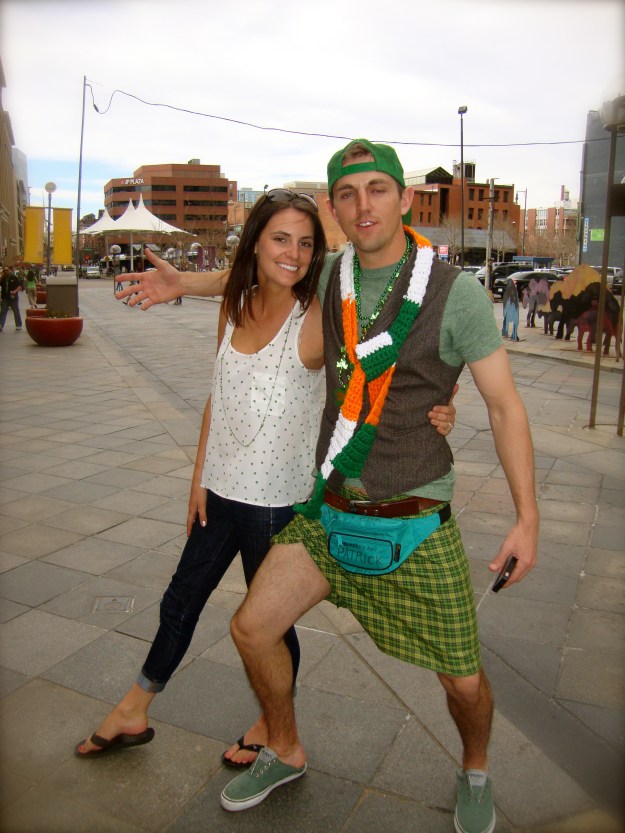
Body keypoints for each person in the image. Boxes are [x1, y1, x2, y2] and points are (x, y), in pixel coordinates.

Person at [76, 185, 459, 764]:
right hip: (221, 492)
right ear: (255, 241)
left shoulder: (319, 317)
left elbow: (402, 350)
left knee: (269, 625)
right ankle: (134, 707)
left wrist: (446, 401)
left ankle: (273, 724)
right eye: (281, 239)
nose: (294, 254)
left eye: (306, 244)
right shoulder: (234, 306)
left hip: (280, 504)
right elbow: (217, 397)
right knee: (181, 599)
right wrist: (198, 479)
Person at [218, 141, 538, 831]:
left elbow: (506, 407)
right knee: (251, 628)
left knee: (463, 681)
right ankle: (285, 746)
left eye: (377, 189)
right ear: (334, 207)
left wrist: (527, 518)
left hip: (414, 518)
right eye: (348, 193)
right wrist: (173, 285)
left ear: (404, 199)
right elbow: (259, 274)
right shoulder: (330, 274)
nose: (363, 205)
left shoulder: (455, 292)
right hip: (329, 511)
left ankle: (475, 768)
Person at [0, 265, 23, 331]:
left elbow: (19, 286)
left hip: (13, 297)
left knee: (16, 311)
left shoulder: (14, 277)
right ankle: (1, 325)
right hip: (5, 297)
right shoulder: (3, 278)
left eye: (7, 270)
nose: (6, 272)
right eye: (4, 270)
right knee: (3, 311)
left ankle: (18, 325)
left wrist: (15, 291)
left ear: (9, 270)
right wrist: (1, 276)